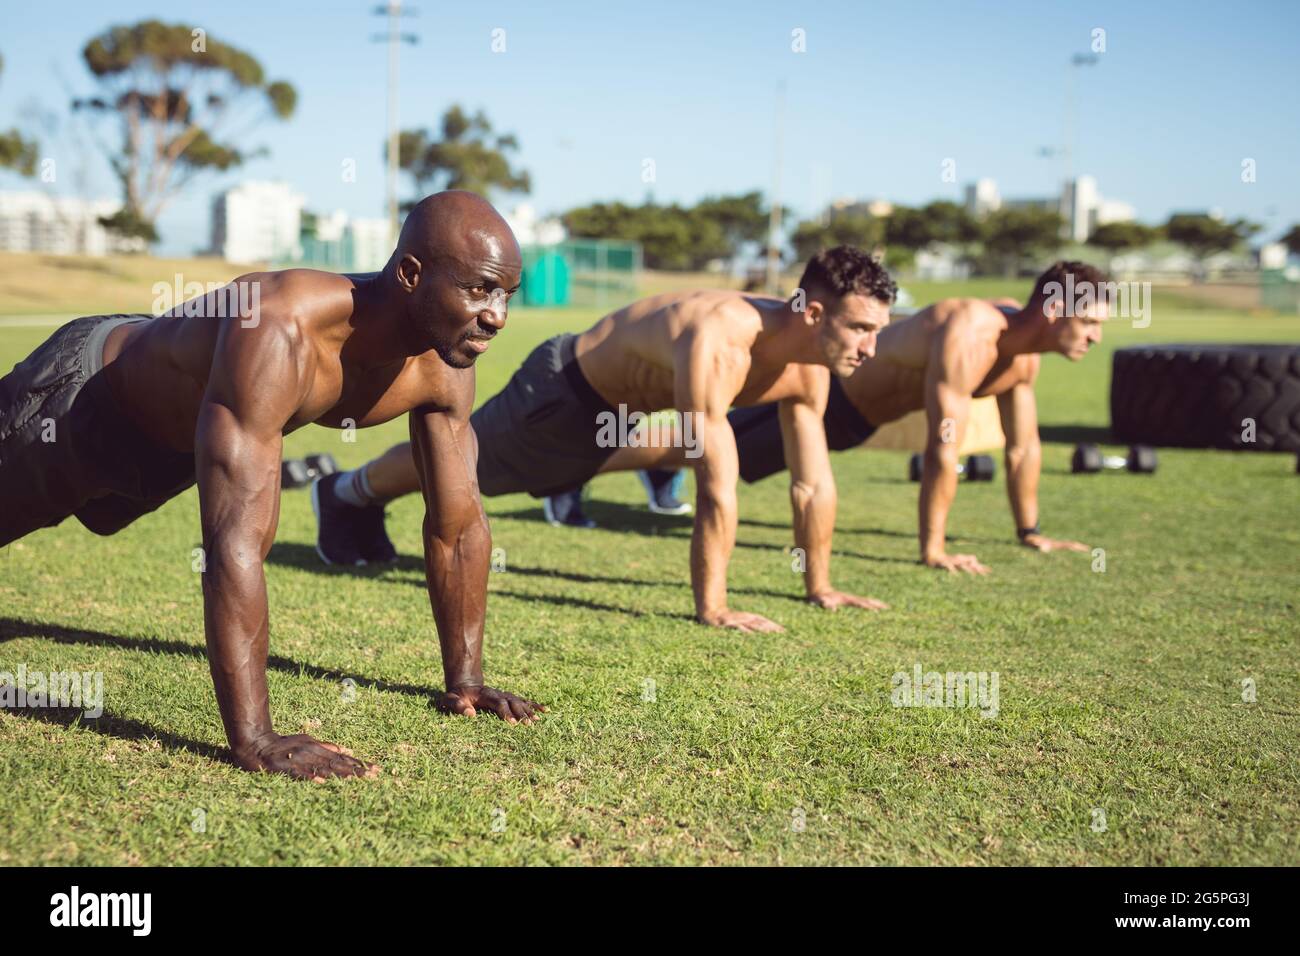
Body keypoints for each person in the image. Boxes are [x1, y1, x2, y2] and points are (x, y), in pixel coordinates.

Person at [0, 191, 543, 781]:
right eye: (478, 288)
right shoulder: (280, 325)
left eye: (505, 295)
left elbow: (458, 526)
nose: (497, 315)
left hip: (172, 451)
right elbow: (235, 541)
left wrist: (466, 681)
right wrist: (255, 739)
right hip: (83, 404)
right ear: (411, 273)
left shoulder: (445, 360)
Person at [313, 246, 897, 632]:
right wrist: (713, 607)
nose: (871, 348)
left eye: (879, 331)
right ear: (816, 313)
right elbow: (716, 484)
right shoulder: (722, 335)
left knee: (693, 444)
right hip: (563, 393)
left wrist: (820, 586)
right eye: (862, 329)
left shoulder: (811, 368)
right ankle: (346, 492)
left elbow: (811, 483)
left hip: (615, 421)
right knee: (465, 470)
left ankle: (572, 485)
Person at [608, 261, 1109, 573]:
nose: (1095, 337)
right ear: (1052, 312)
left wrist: (1031, 530)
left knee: (700, 448)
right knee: (697, 446)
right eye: (1087, 322)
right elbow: (942, 445)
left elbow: (1023, 447)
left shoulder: (1025, 360)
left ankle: (627, 463)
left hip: (855, 423)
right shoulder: (973, 332)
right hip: (835, 394)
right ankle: (581, 461)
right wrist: (934, 550)